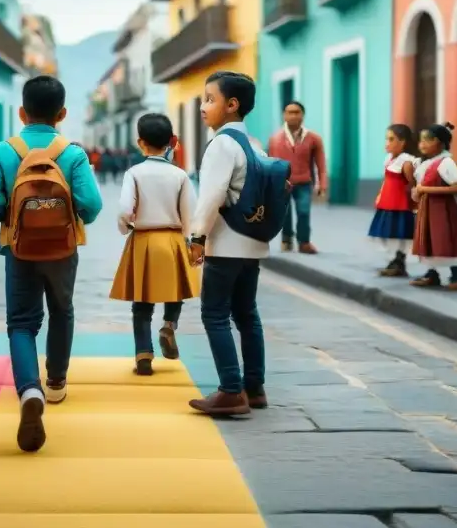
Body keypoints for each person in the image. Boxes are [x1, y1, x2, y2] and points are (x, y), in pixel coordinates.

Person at [0, 75, 103, 453]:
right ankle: (57, 383)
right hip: (63, 250)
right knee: (62, 311)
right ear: (62, 113)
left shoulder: (3, 150)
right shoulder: (73, 153)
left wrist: (13, 214)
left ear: (21, 112)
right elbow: (92, 206)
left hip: (18, 248)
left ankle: (29, 389)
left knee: (21, 322)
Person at [186, 71, 269, 417]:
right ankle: (255, 387)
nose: (203, 107)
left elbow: (211, 197)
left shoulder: (221, 144)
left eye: (210, 99)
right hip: (252, 243)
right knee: (246, 313)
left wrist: (197, 237)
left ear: (231, 105)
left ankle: (230, 390)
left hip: (225, 243)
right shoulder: (255, 144)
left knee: (214, 314)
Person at [109, 113, 200, 375]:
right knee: (176, 290)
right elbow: (189, 213)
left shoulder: (134, 173)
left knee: (142, 302)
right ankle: (169, 325)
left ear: (140, 142)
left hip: (144, 239)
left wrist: (125, 227)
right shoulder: (180, 175)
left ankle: (143, 355)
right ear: (171, 141)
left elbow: (126, 209)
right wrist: (191, 240)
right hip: (172, 238)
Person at [410, 122, 457, 291]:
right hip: (427, 207)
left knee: (444, 239)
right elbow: (421, 184)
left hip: (442, 209)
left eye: (428, 140)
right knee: (429, 240)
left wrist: (426, 189)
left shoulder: (446, 163)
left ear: (440, 143)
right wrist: (417, 192)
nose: (422, 144)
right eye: (421, 140)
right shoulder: (425, 163)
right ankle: (432, 273)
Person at [267, 100, 327, 254]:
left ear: (303, 115)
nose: (293, 116)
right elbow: (269, 164)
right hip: (282, 184)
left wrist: (322, 184)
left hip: (304, 182)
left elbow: (320, 163)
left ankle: (304, 242)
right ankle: (286, 239)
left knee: (304, 211)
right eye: (289, 112)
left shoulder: (313, 138)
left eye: (297, 112)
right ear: (284, 116)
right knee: (284, 214)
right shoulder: (275, 139)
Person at [368, 124, 418, 277]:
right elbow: (386, 180)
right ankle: (393, 261)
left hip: (400, 205)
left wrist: (415, 204)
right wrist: (380, 195)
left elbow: (412, 184)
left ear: (402, 142)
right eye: (386, 139)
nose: (387, 143)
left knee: (400, 234)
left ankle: (399, 262)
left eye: (391, 139)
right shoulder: (389, 159)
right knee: (388, 233)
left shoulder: (407, 162)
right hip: (388, 203)